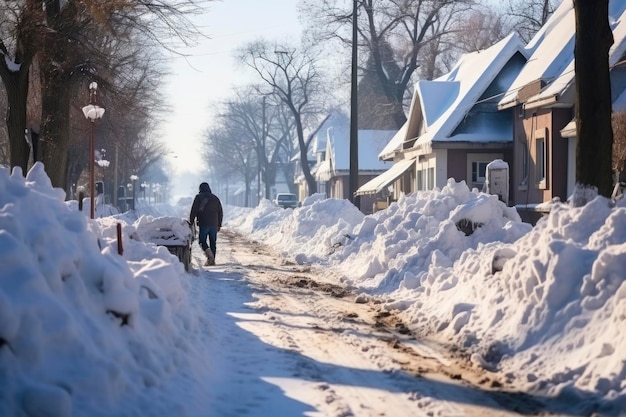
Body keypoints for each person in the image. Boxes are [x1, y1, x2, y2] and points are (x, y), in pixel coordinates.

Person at [189, 182, 223, 266]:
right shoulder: (215, 198)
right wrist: (219, 224)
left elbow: (194, 210)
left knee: (202, 241)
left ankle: (209, 256)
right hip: (214, 224)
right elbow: (220, 212)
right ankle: (212, 260)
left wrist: (191, 221)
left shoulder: (198, 197)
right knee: (213, 242)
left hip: (204, 223)